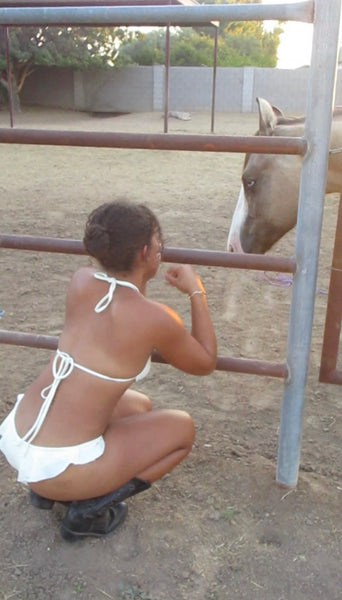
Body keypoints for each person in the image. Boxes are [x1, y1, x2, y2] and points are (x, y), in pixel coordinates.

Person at [0, 201, 217, 541]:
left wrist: (141, 274)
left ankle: (46, 490)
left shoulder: (81, 281)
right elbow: (205, 362)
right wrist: (195, 290)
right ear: (146, 250)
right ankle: (87, 510)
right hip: (56, 463)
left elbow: (121, 301)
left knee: (139, 405)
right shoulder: (155, 317)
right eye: (158, 243)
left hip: (18, 436)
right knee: (182, 431)